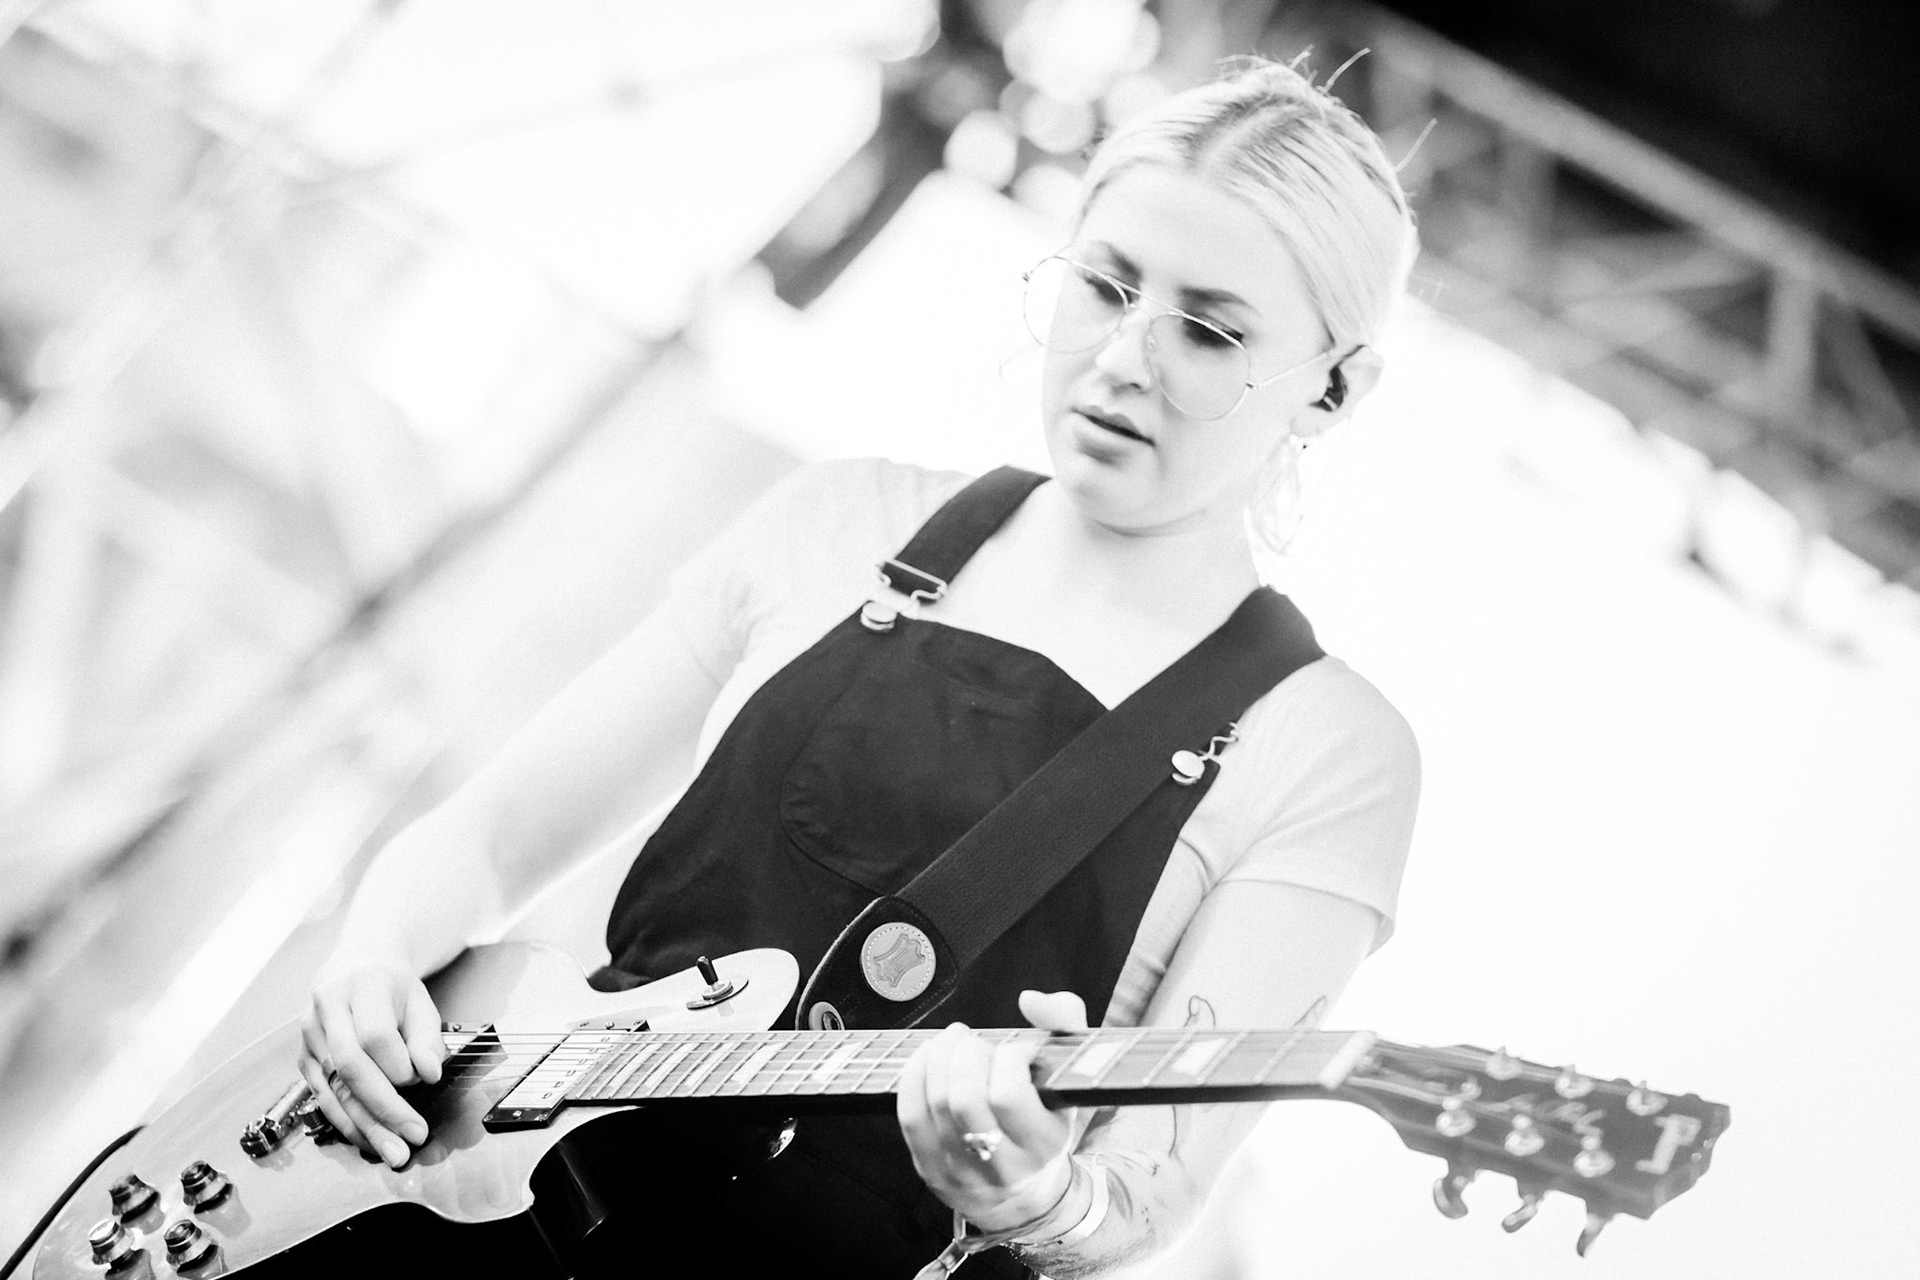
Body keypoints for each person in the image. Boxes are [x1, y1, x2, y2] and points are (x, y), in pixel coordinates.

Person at [297, 53, 1421, 1279]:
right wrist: (373, 957)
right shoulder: (841, 519)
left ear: (1334, 389)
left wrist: (1032, 1190)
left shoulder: (1329, 752)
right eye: (1104, 286)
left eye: (1207, 330)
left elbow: (1146, 1199)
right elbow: (493, 837)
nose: (1121, 358)